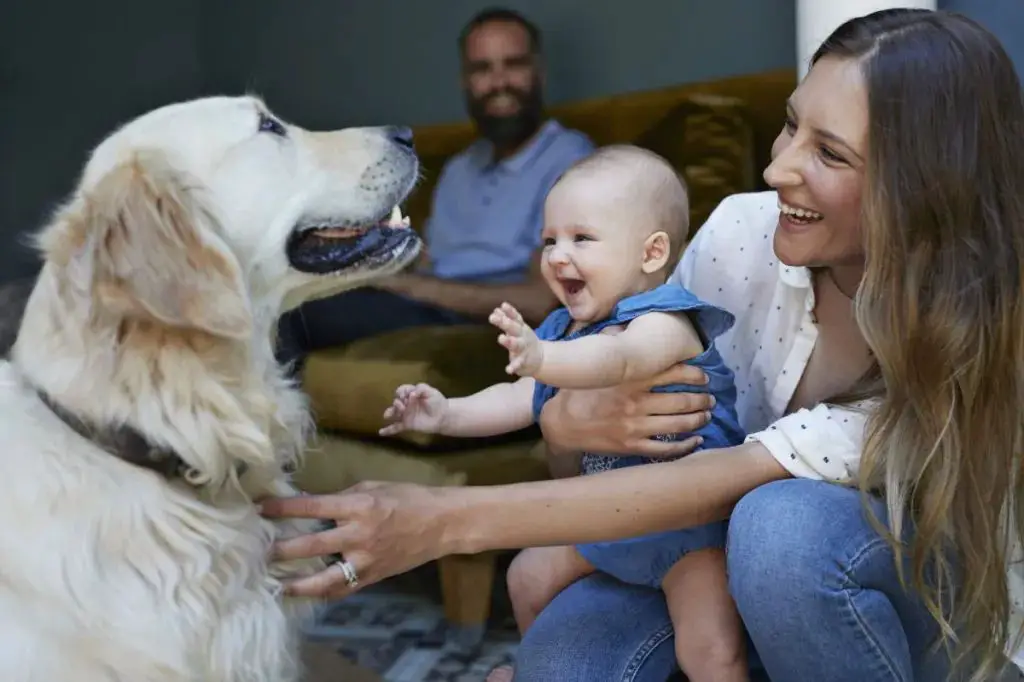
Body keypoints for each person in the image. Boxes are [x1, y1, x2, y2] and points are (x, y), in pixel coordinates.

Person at [261, 9, 1024, 682]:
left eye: (830, 153)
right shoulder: (738, 235)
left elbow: (728, 479)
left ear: (920, 187)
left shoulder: (965, 329)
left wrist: (438, 520)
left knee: (783, 529)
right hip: (704, 560)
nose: (776, 165)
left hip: (905, 604)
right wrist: (565, 424)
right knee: (563, 660)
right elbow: (613, 454)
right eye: (792, 124)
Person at [379, 145, 748, 682]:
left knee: (710, 653)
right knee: (526, 577)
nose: (556, 255)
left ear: (651, 254)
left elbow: (619, 359)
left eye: (582, 239)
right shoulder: (565, 328)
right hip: (607, 521)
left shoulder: (667, 320)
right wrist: (445, 416)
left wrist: (546, 359)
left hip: (685, 531)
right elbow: (517, 399)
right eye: (549, 240)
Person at [276, 7, 595, 368]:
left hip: (474, 319)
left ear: (539, 72)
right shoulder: (458, 168)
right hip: (418, 305)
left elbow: (542, 300)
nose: (499, 82)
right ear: (465, 82)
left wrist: (408, 287)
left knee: (293, 315)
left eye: (514, 64)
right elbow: (427, 260)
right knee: (286, 293)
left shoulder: (571, 159)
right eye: (482, 69)